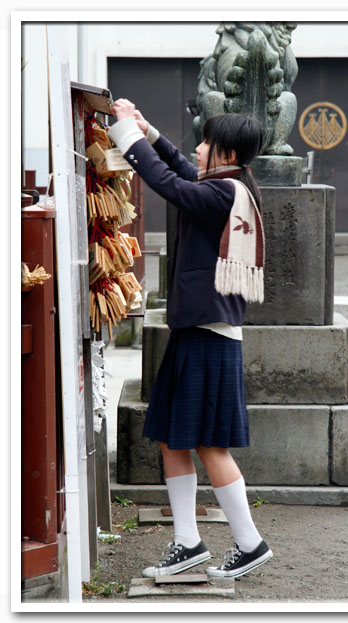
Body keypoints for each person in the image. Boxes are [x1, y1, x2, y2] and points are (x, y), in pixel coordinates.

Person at [108, 99, 272, 580]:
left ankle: (249, 543)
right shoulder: (228, 185)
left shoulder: (224, 193)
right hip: (196, 329)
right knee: (171, 437)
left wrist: (127, 136)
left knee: (208, 445)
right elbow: (181, 170)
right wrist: (147, 131)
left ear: (227, 154)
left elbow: (169, 183)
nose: (197, 149)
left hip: (208, 334)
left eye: (206, 142)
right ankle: (187, 543)